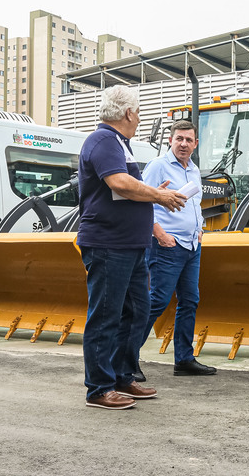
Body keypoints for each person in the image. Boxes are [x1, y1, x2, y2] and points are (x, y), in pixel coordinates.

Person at [77, 85, 187, 410]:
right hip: (109, 245)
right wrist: (159, 196)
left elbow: (127, 188)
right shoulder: (102, 140)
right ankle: (98, 388)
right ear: (128, 113)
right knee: (106, 315)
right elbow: (119, 183)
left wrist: (152, 190)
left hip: (130, 246)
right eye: (138, 113)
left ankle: (123, 375)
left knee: (137, 311)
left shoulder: (118, 144)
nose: (139, 119)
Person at [139, 119, 217, 378]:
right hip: (167, 245)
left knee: (189, 301)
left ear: (196, 143)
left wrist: (201, 228)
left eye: (188, 139)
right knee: (157, 301)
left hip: (192, 245)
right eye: (179, 138)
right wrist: (159, 234)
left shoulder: (194, 170)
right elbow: (142, 202)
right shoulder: (158, 167)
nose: (183, 144)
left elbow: (195, 203)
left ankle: (184, 360)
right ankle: (125, 358)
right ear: (170, 140)